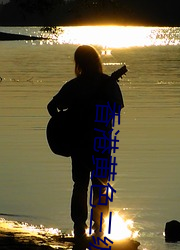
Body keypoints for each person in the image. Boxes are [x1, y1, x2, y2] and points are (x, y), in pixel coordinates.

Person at [47, 45, 124, 244]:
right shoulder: (108, 83)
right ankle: (98, 232)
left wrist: (64, 121)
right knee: (100, 186)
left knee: (80, 185)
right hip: (101, 143)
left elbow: (51, 106)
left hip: (79, 143)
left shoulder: (74, 85)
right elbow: (116, 110)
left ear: (79, 63)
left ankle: (79, 230)